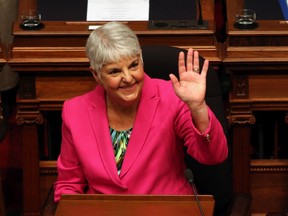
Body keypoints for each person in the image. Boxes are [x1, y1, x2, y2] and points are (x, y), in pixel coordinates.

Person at [54, 21, 228, 202]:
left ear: (141, 60)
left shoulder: (172, 97)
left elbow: (214, 155)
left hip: (166, 211)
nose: (128, 78)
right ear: (96, 75)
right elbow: (68, 185)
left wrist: (198, 108)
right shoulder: (75, 111)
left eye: (133, 65)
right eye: (114, 72)